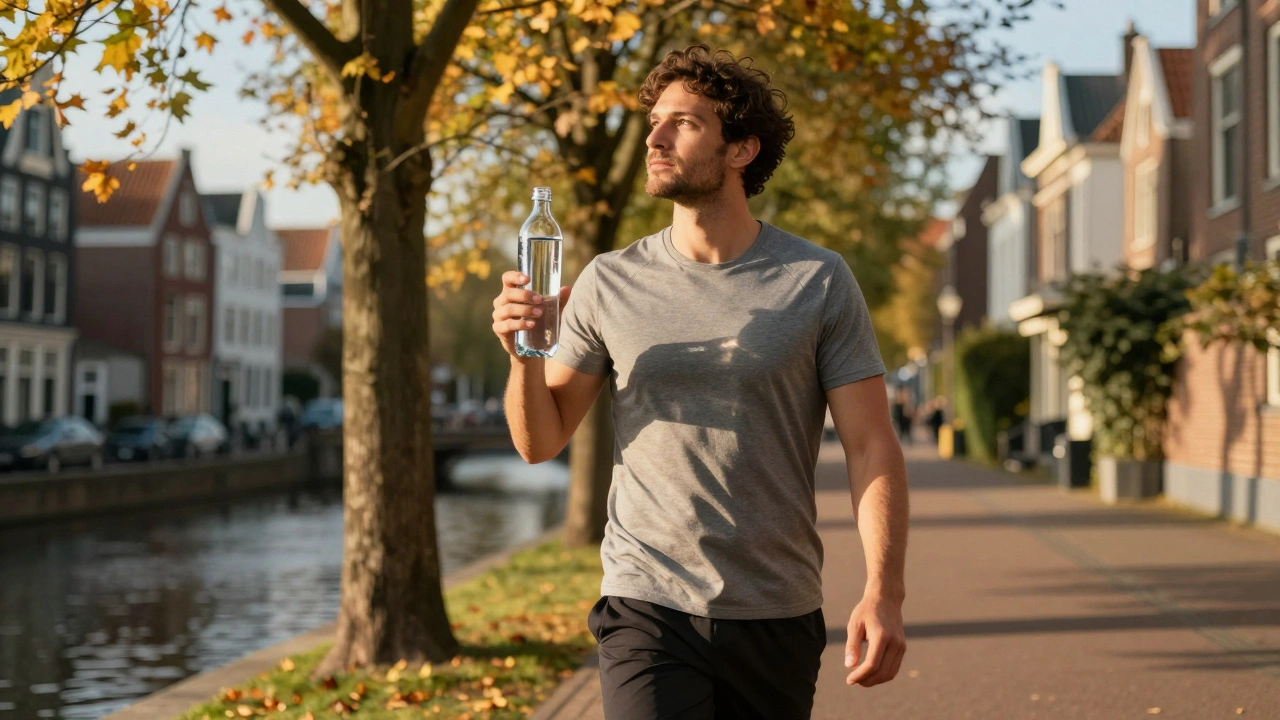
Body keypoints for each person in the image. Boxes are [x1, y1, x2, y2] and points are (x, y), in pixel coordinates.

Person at [492, 45, 908, 719]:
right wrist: (521, 357)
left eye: (681, 123)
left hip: (777, 606)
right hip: (647, 603)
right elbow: (540, 441)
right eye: (654, 120)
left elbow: (870, 446)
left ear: (741, 148)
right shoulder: (607, 281)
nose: (654, 137)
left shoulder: (819, 280)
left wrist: (883, 593)